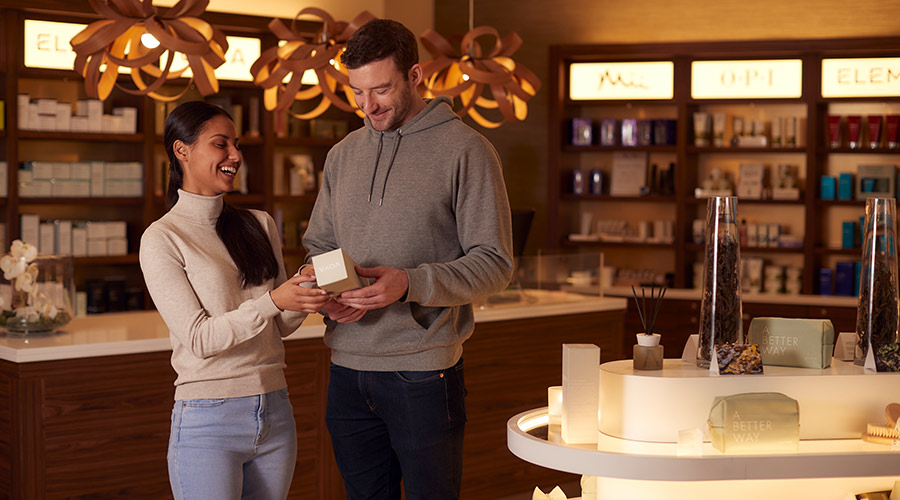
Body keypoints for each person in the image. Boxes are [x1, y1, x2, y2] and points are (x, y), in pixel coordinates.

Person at [300, 19, 514, 500]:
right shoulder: (342, 154)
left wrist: (410, 283)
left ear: (414, 75)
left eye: (380, 90)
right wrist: (331, 293)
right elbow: (320, 244)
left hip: (422, 371)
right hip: (346, 368)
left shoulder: (467, 150)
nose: (367, 106)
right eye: (357, 92)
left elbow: (495, 262)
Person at [139, 100, 330, 500]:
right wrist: (275, 300)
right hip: (209, 419)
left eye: (236, 145)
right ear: (182, 150)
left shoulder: (257, 223)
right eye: (221, 144)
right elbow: (201, 339)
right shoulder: (162, 238)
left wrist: (306, 293)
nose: (235, 156)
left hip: (275, 410)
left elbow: (277, 325)